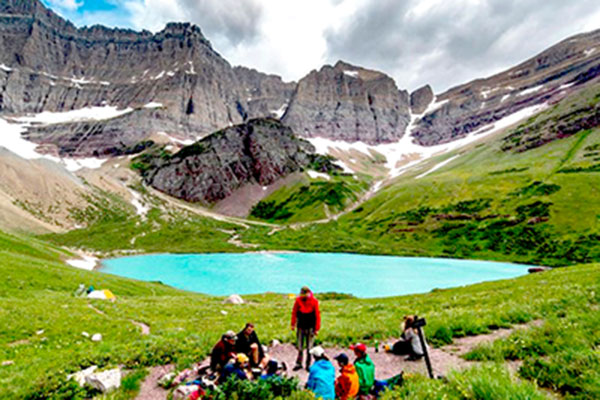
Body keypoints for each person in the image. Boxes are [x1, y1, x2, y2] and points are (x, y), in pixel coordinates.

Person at [291, 286, 321, 371]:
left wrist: (317, 329)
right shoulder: (298, 300)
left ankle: (308, 365)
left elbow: (317, 315)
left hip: (311, 327)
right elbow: (294, 312)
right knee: (300, 347)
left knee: (309, 348)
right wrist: (293, 324)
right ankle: (299, 363)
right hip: (300, 326)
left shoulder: (314, 301)